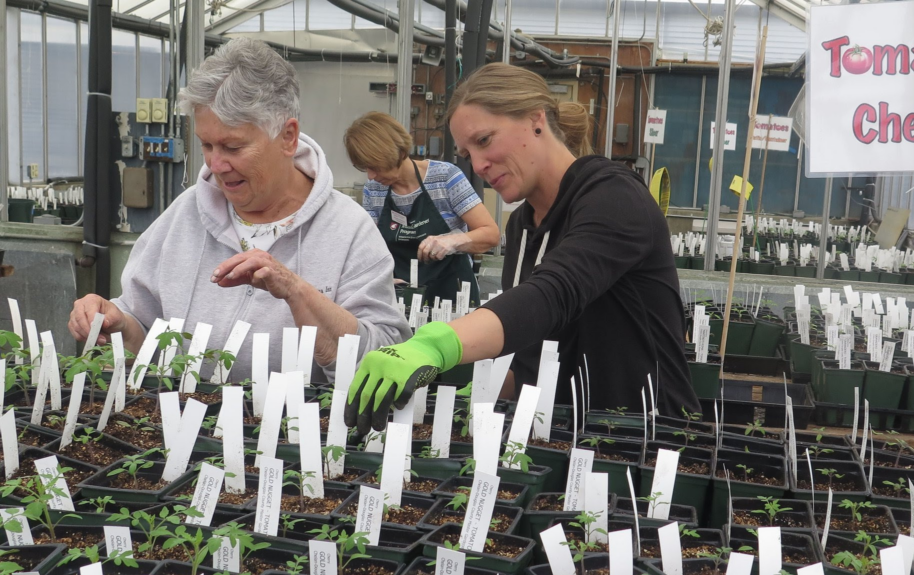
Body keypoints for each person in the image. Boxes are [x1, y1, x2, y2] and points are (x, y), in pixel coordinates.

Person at [345, 63, 701, 432]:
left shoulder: (614, 198)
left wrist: (436, 343)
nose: (479, 165)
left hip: (647, 435)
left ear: (536, 119)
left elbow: (553, 294)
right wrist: (444, 401)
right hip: (562, 433)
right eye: (467, 154)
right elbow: (530, 352)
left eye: (484, 140)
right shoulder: (523, 225)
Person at [67, 38, 411, 382]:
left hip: (296, 432)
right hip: (178, 426)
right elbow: (142, 325)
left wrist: (296, 291)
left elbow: (386, 353)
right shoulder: (184, 215)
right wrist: (117, 324)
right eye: (207, 145)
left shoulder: (349, 231)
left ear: (288, 137)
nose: (217, 164)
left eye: (233, 146)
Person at [344, 112, 500, 306]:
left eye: (375, 166)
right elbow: (369, 248)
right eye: (365, 168)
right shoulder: (374, 190)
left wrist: (453, 241)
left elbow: (491, 235)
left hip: (452, 294)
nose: (371, 176)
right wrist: (379, 279)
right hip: (403, 297)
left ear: (399, 153)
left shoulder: (445, 177)